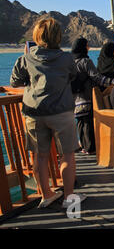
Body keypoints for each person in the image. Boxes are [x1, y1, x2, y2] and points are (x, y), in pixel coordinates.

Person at [10, 18, 86, 209]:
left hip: (34, 113)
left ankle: (46, 195)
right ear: (58, 37)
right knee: (67, 155)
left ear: (37, 35)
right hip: (61, 112)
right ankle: (69, 197)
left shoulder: (26, 59)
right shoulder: (66, 59)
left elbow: (14, 82)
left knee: (40, 156)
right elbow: (73, 76)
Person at [71, 37, 114, 154]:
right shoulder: (85, 62)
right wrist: (113, 82)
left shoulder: (70, 62)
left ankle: (84, 147)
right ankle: (91, 148)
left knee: (80, 122)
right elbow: (97, 77)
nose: (89, 48)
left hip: (73, 99)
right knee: (88, 122)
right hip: (86, 96)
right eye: (87, 46)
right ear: (83, 47)